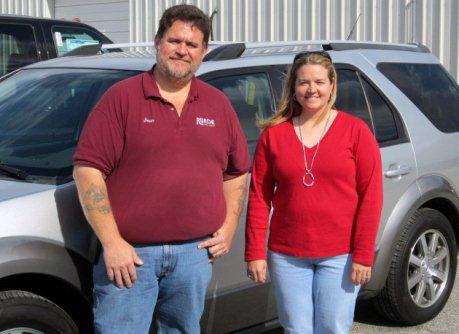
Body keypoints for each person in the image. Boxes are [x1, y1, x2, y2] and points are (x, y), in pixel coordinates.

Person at [73, 4, 249, 333]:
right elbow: (88, 170)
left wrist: (228, 226)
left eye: (192, 44)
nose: (182, 50)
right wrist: (112, 242)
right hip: (131, 256)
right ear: (158, 42)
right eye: (174, 41)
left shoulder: (217, 104)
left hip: (194, 257)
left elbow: (237, 171)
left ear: (204, 52)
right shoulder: (121, 99)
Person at [245, 51, 383, 334]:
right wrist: (255, 252)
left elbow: (371, 196)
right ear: (293, 88)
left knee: (332, 328)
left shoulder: (355, 131)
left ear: (332, 84)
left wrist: (363, 255)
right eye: (304, 82)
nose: (312, 89)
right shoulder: (274, 134)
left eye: (319, 82)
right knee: (296, 329)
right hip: (287, 255)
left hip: (340, 256)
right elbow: (259, 196)